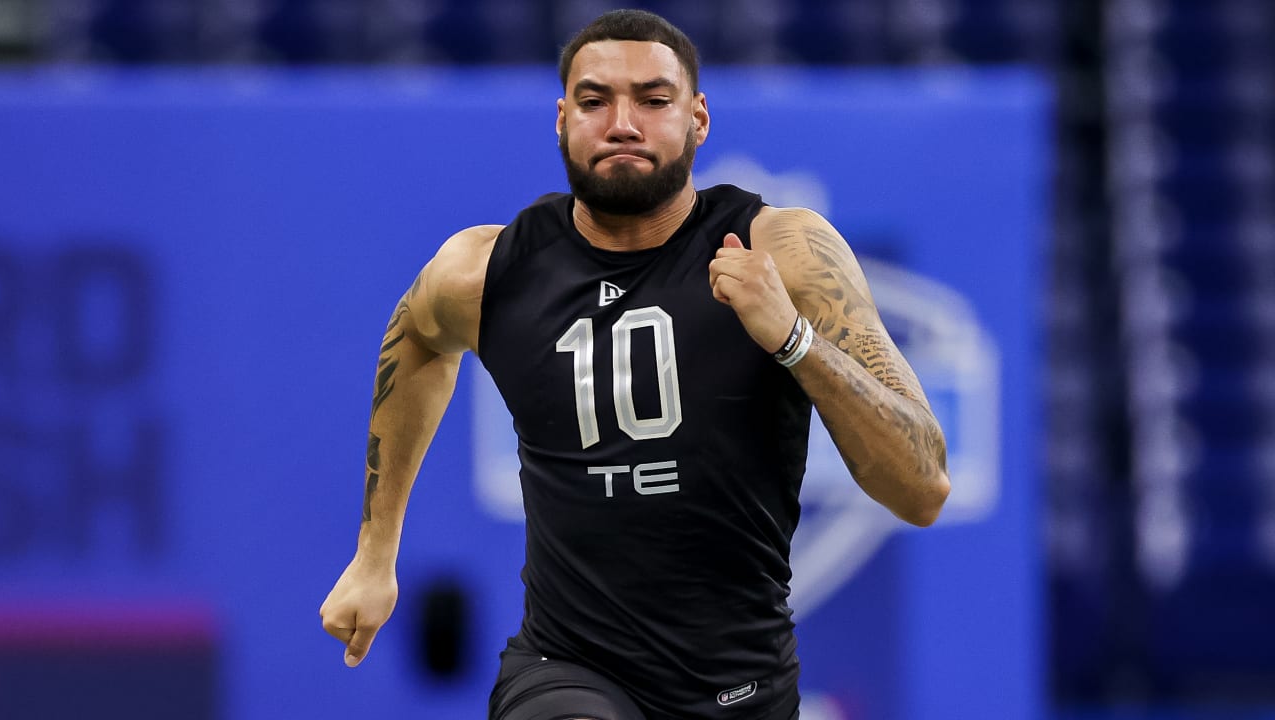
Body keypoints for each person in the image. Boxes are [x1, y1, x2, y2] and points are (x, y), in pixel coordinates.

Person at [320, 9, 950, 719]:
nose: (623, 122)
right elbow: (418, 340)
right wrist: (376, 553)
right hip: (564, 668)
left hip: (736, 684)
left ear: (699, 117)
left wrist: (793, 339)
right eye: (595, 101)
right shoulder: (488, 269)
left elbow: (922, 487)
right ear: (561, 119)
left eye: (653, 100)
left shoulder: (785, 252)